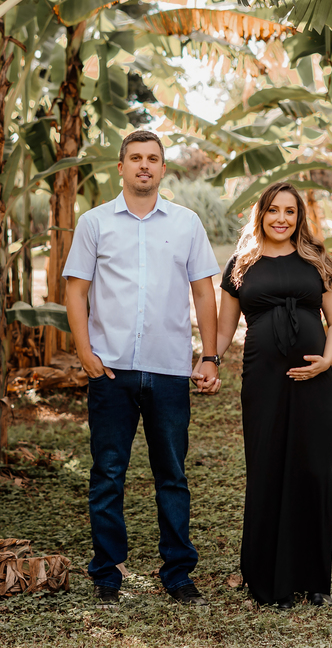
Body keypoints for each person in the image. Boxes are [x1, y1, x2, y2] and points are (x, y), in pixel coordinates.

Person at [62, 129, 222, 610]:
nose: (144, 165)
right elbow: (76, 290)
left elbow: (203, 291)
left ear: (163, 169)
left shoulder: (187, 223)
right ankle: (107, 574)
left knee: (172, 474)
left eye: (153, 158)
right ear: (121, 167)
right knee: (108, 473)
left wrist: (209, 355)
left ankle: (178, 574)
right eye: (135, 158)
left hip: (169, 370)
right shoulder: (94, 223)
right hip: (110, 370)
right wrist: (85, 352)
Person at [211, 181, 332, 608]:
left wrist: (326, 361)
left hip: (314, 381)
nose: (282, 218)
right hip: (263, 380)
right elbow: (225, 328)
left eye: (290, 211)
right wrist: (209, 360)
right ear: (261, 214)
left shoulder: (316, 259)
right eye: (273, 210)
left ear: (299, 216)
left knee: (313, 471)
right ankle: (270, 582)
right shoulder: (242, 264)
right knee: (267, 468)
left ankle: (314, 579)